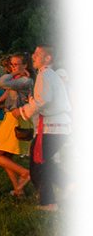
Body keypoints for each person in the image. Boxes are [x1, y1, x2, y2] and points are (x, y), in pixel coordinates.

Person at [9, 45, 76, 212]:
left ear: (47, 59)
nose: (34, 56)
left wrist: (22, 111)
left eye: (38, 54)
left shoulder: (46, 75)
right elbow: (44, 99)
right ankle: (66, 182)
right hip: (57, 126)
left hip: (51, 128)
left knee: (37, 164)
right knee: (42, 160)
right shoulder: (49, 75)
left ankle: (48, 203)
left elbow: (43, 100)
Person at [0, 54, 33, 196]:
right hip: (9, 116)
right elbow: (8, 91)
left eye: (16, 64)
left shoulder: (24, 80)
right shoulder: (17, 80)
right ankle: (18, 190)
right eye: (12, 65)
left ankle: (24, 173)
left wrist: (14, 73)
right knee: (6, 157)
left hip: (14, 119)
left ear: (25, 65)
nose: (12, 67)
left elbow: (1, 83)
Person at [54, 69, 82, 163]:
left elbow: (75, 106)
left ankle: (75, 152)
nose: (60, 79)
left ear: (66, 78)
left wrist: (74, 121)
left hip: (66, 118)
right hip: (56, 116)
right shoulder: (54, 90)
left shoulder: (69, 90)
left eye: (61, 77)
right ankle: (56, 157)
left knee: (66, 138)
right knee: (55, 137)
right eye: (57, 77)